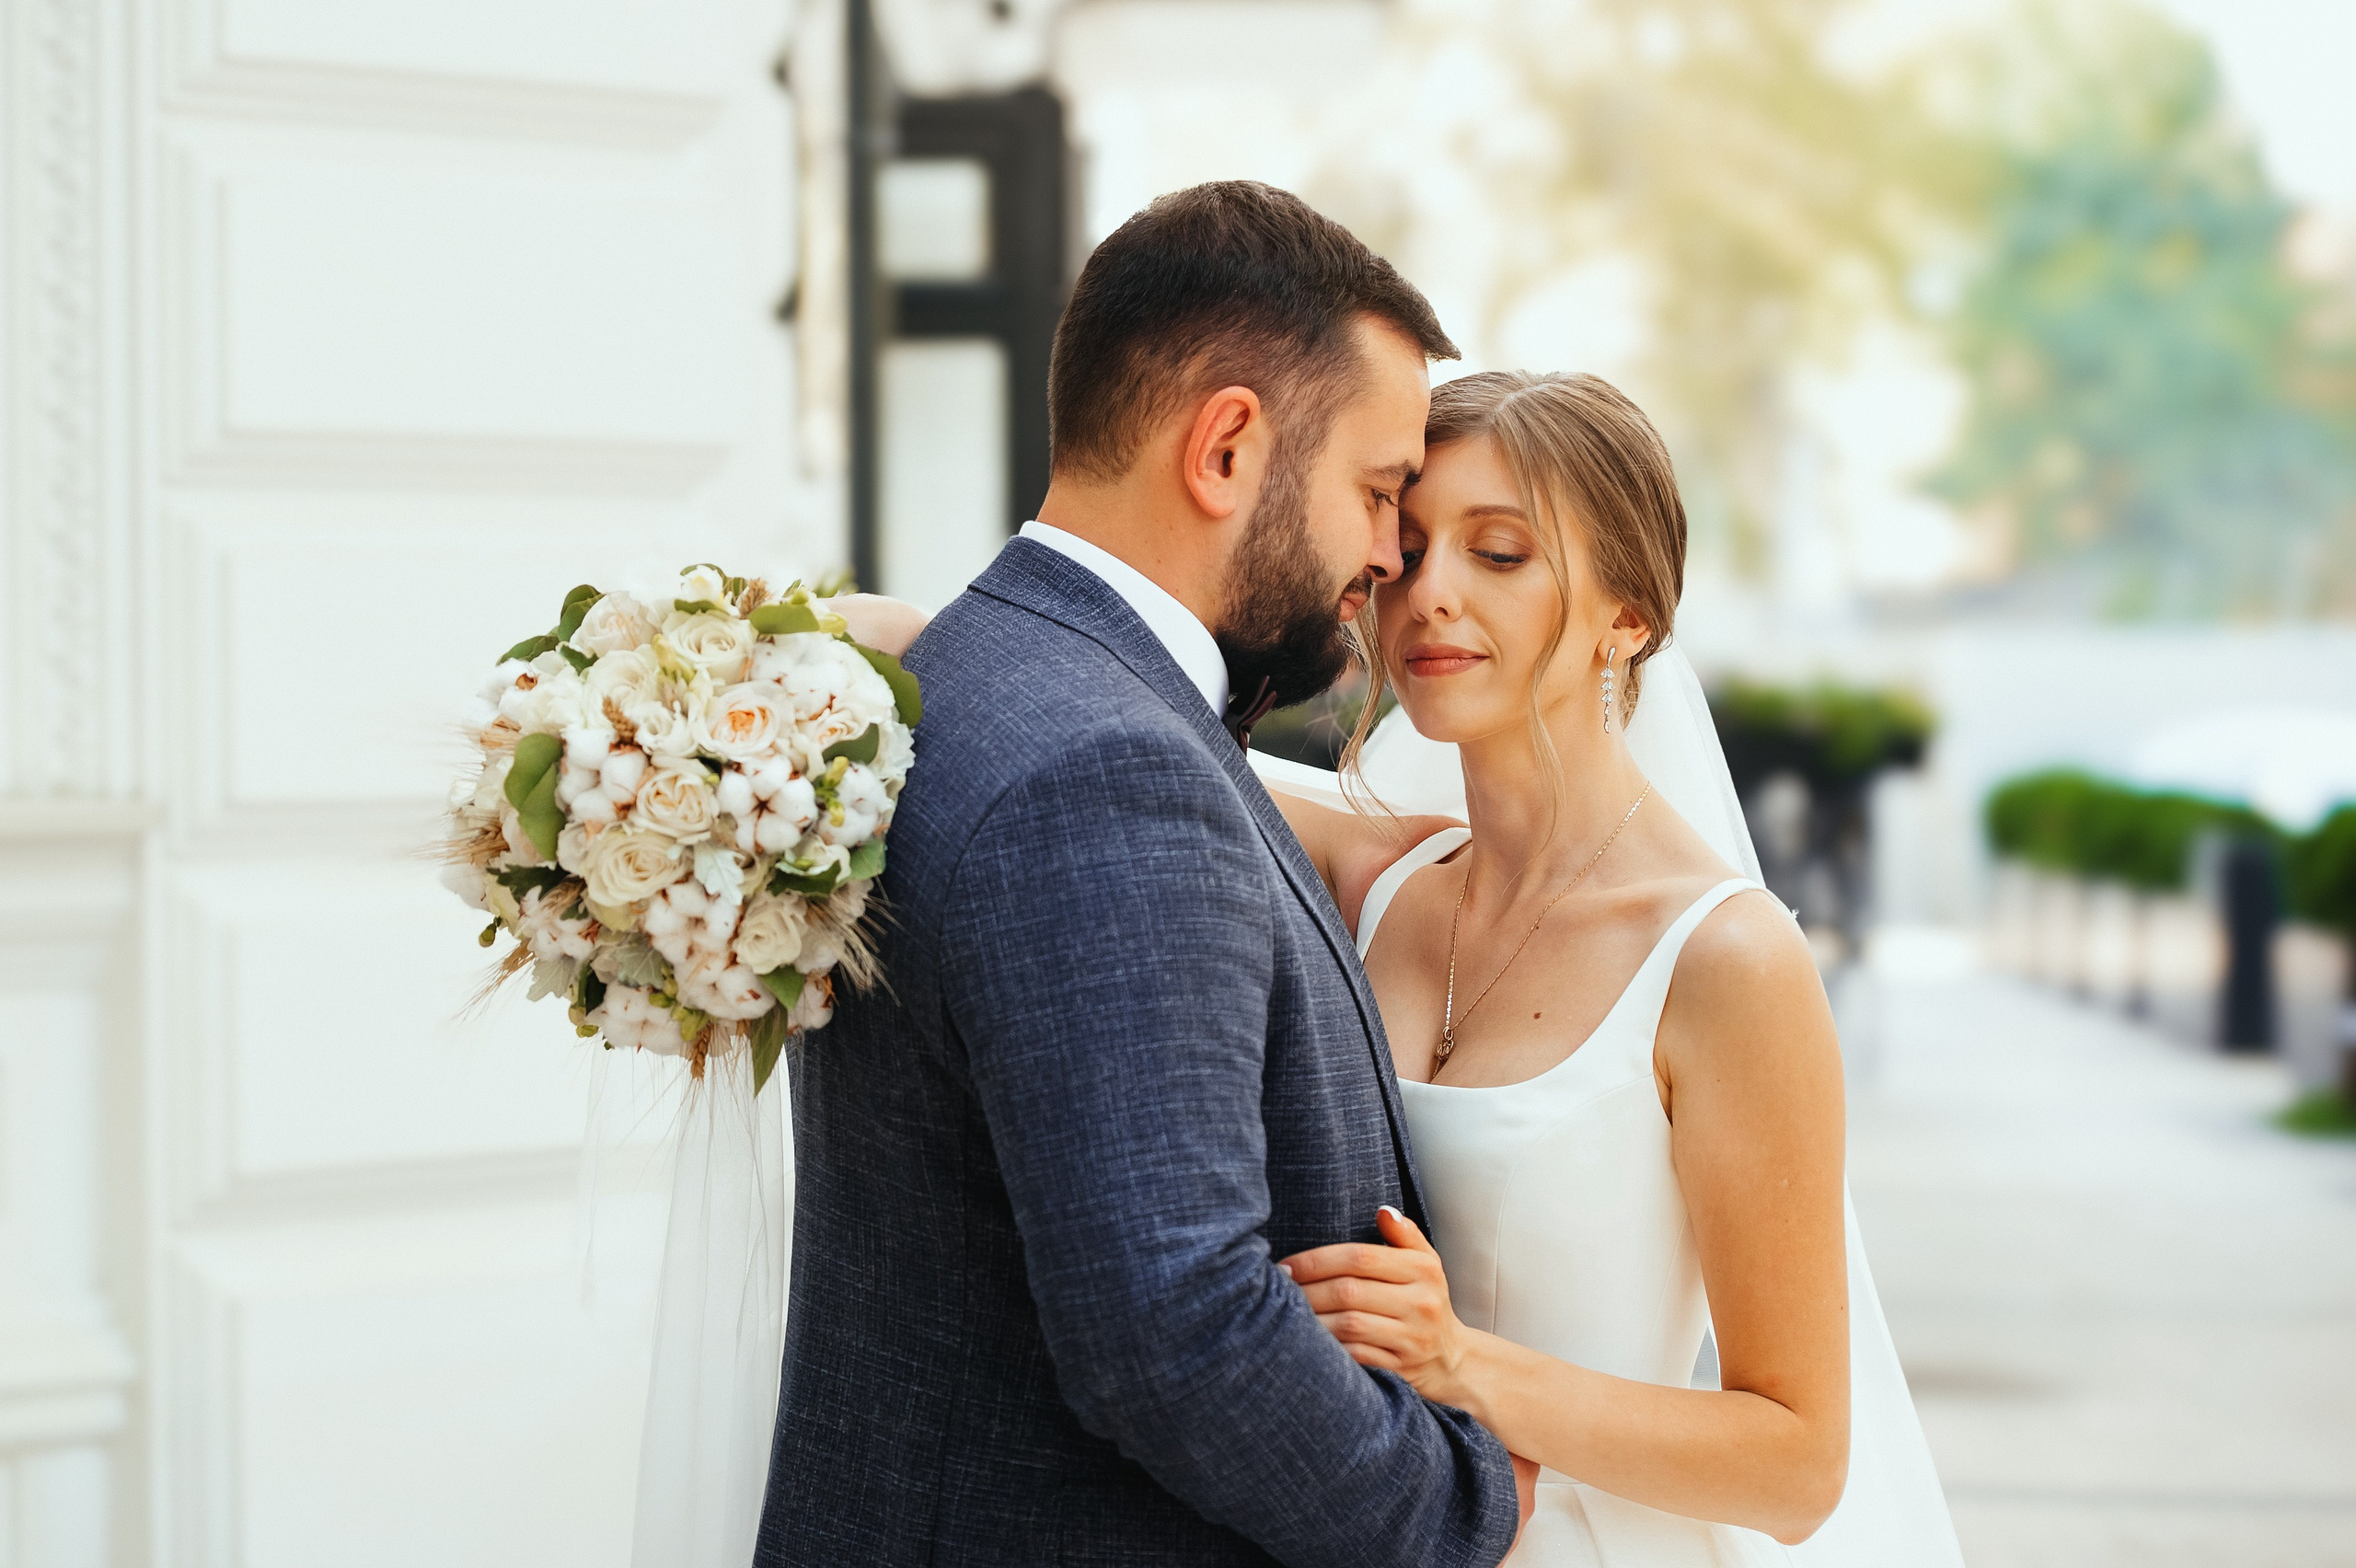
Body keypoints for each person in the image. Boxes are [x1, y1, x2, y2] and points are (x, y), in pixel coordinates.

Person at [755, 181, 1530, 1566]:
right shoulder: (1104, 772)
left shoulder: (967, 676)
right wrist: (1458, 1504)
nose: (1390, 554)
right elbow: (1176, 1333)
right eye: (1374, 491)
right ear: (1228, 447)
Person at [1263, 371, 1966, 1565]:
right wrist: (829, 698)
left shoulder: (1726, 962)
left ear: (1628, 616)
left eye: (1501, 554)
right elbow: (1110, 709)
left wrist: (1461, 1362)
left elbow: (1797, 1465)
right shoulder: (1370, 877)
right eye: (1412, 549)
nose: (1432, 595)